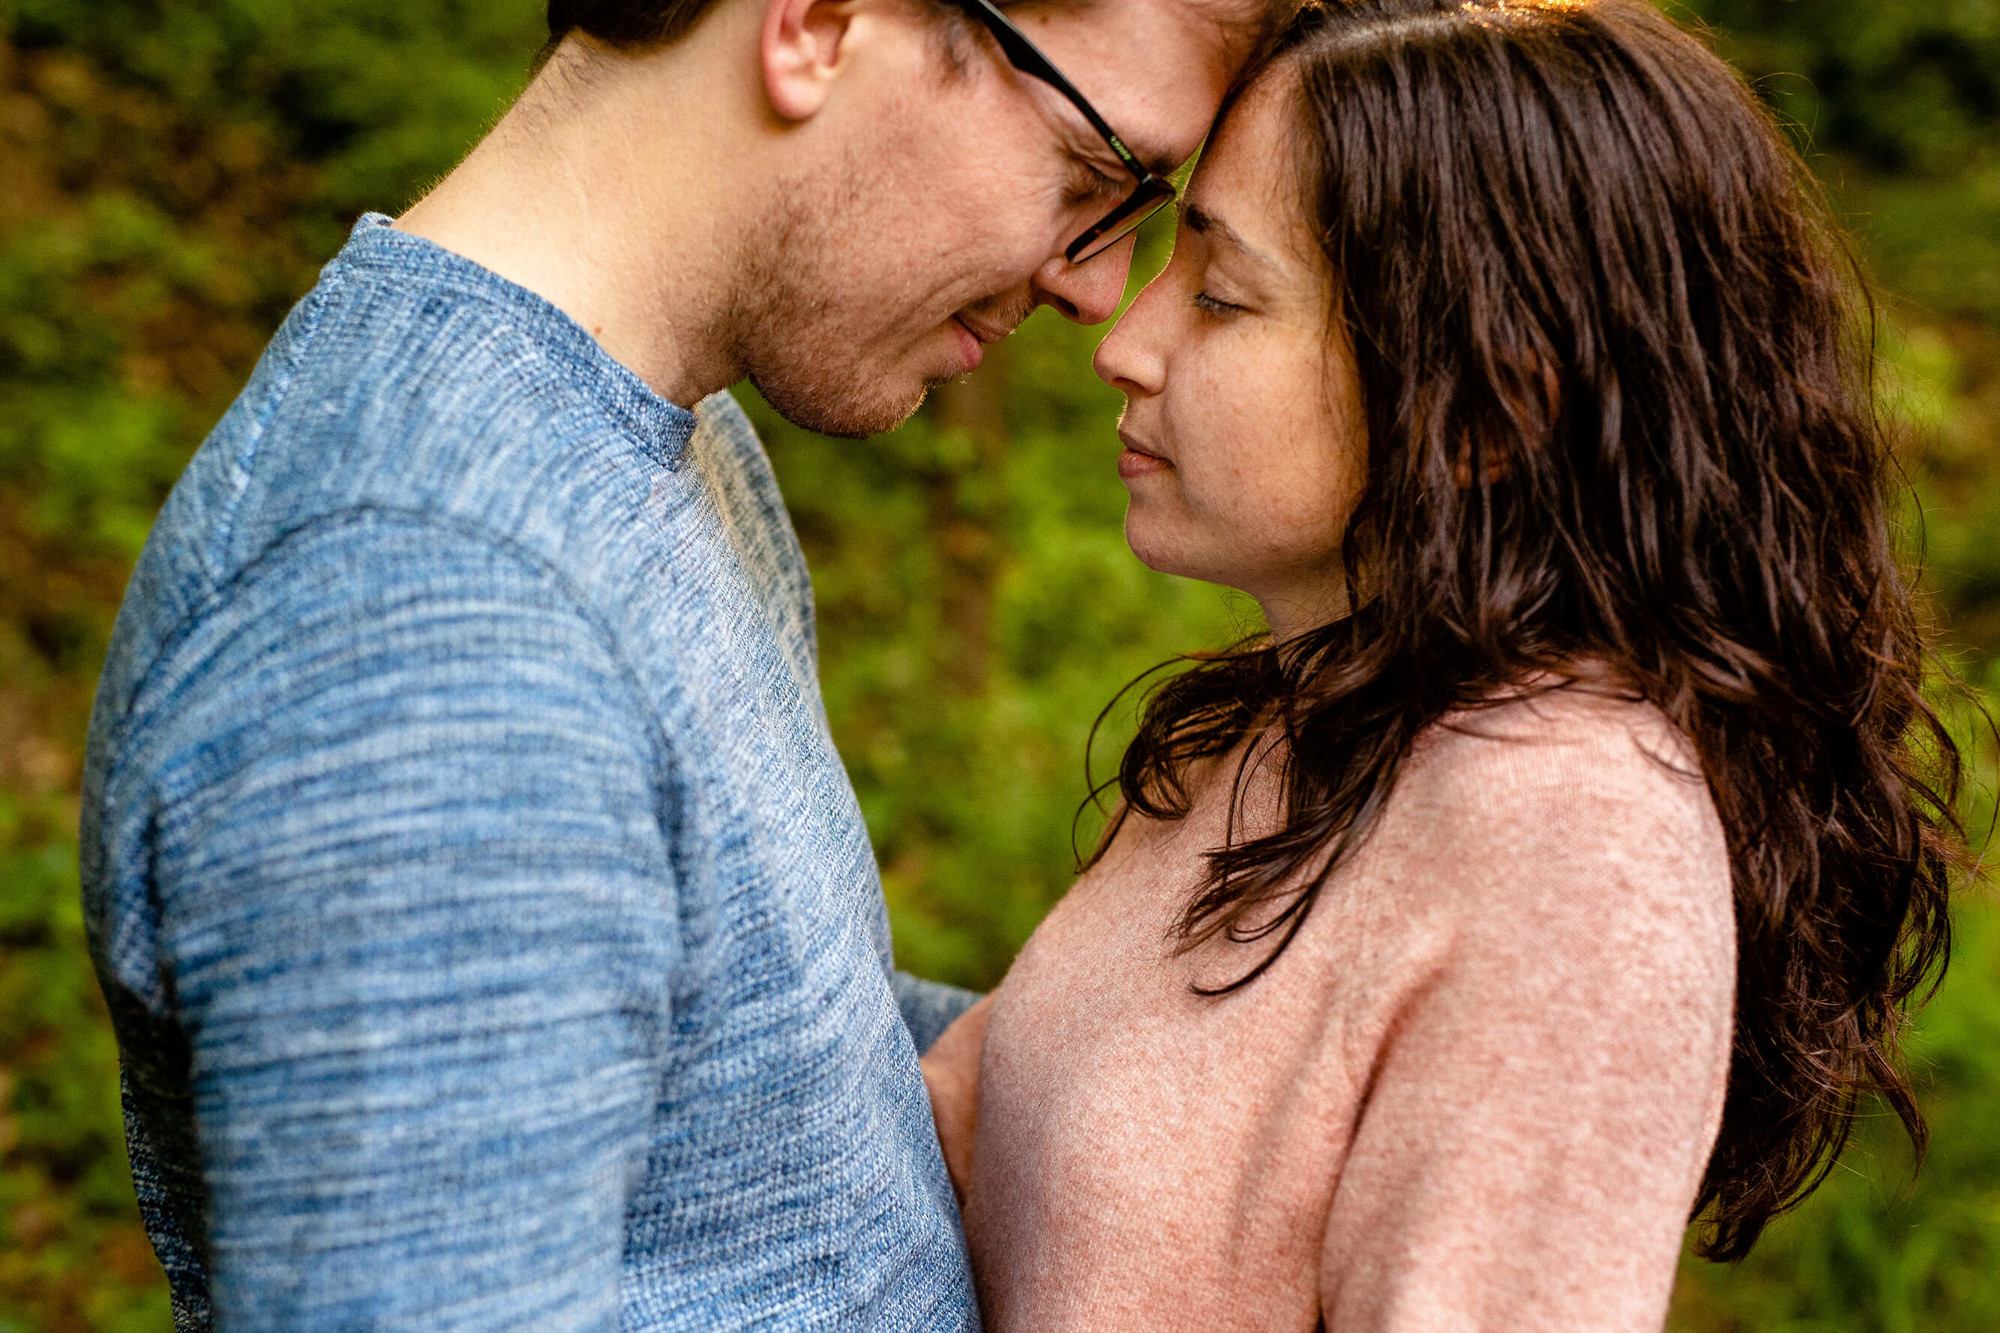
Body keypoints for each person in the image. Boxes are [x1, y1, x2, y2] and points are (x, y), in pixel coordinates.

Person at [77, 0, 1277, 1325]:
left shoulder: (660, 439)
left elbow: (741, 1078)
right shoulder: (429, 618)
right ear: (819, 23)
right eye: (1096, 174)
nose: (1098, 287)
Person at [920, 1, 1965, 1327]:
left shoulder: (1581, 839)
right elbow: (941, 1141)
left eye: (1225, 295)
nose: (1124, 341)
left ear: (1485, 410)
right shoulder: (1291, 724)